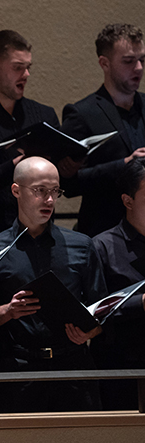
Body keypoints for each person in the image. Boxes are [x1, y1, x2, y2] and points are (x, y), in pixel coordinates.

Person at [0, 157, 106, 413]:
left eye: (55, 191)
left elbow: (102, 308)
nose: (49, 200)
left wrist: (91, 331)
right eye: (40, 191)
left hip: (73, 368)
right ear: (16, 191)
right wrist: (6, 311)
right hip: (18, 369)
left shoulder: (81, 245)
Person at [0, 30, 61, 248]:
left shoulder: (44, 116)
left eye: (28, 67)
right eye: (18, 67)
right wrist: (13, 166)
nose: (26, 74)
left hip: (44, 238)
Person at [61, 23, 145, 237]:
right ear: (104, 63)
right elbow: (67, 185)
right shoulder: (82, 113)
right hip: (105, 234)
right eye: (128, 61)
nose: (138, 68)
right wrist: (124, 165)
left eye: (142, 60)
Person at [91, 158, 145, 410]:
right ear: (127, 201)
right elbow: (93, 312)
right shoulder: (102, 246)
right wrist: (141, 303)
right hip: (122, 365)